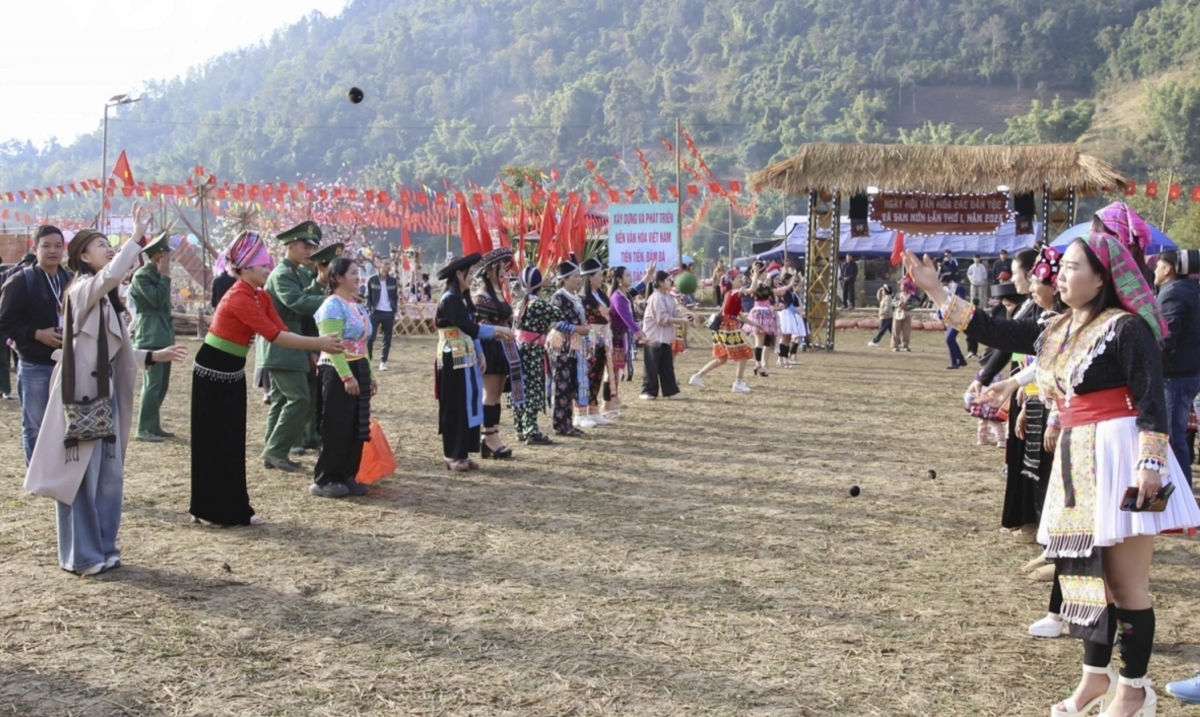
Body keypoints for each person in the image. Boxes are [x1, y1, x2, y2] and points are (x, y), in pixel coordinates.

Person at [906, 232, 1200, 717]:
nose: (1060, 276)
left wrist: (1150, 466)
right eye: (1060, 268)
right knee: (1086, 576)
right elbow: (994, 330)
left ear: (1102, 278)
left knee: (1126, 584)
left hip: (1121, 453)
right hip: (1078, 456)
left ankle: (1134, 689)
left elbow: (1152, 401)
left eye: (1073, 268)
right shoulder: (1059, 327)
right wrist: (935, 290)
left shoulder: (1127, 328)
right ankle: (1094, 678)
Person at [25, 214, 188, 575]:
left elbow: (115, 352)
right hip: (82, 397)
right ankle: (81, 555)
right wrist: (136, 237)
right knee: (80, 476)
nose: (110, 249)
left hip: (105, 395)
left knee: (109, 475)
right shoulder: (83, 289)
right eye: (102, 245)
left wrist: (153, 356)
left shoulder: (104, 300)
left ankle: (104, 547)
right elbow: (112, 276)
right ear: (83, 257)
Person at [190, 231, 343, 526]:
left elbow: (282, 327)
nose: (267, 269)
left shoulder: (260, 295)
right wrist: (318, 343)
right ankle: (207, 509)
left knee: (232, 440)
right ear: (244, 268)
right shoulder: (239, 296)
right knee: (213, 441)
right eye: (262, 266)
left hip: (232, 371)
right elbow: (274, 335)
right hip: (212, 372)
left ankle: (235, 507)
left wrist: (313, 346)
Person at [435, 252, 514, 470]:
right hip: (451, 358)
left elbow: (472, 330)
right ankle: (452, 455)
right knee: (454, 406)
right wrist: (497, 330)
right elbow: (470, 328)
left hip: (467, 356)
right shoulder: (449, 300)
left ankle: (464, 453)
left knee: (468, 404)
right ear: (458, 274)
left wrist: (480, 353)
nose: (472, 278)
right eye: (469, 274)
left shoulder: (462, 299)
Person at [0, 226, 72, 464]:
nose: (53, 251)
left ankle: (56, 472)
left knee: (63, 423)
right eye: (46, 246)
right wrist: (36, 334)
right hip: (34, 365)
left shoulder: (68, 279)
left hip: (65, 364)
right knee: (34, 424)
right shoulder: (21, 281)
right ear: (35, 248)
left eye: (58, 246)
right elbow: (5, 322)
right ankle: (36, 472)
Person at [260, 222, 326, 472]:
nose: (309, 251)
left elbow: (305, 298)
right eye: (304, 246)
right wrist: (332, 299)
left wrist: (319, 283)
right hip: (283, 344)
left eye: (311, 247)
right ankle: (275, 451)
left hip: (290, 343)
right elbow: (298, 302)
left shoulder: (296, 272)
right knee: (299, 399)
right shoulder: (282, 274)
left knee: (281, 401)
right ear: (290, 246)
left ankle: (272, 451)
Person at [310, 254, 377, 498]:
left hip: (358, 366)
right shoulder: (332, 306)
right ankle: (326, 477)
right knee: (336, 424)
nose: (358, 277)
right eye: (353, 273)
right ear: (338, 277)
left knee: (355, 424)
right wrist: (347, 377)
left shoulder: (357, 306)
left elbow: (362, 344)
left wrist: (369, 374)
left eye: (358, 273)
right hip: (337, 369)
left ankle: (348, 474)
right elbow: (332, 346)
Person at [1152, 249, 1200, 487]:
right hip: (1189, 372)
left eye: (1158, 265)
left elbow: (1166, 337)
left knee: (1172, 439)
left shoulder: (1172, 293)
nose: (1155, 269)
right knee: (1177, 438)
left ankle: (1181, 494)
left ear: (1168, 269)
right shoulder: (1191, 289)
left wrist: (1149, 363)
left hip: (1175, 376)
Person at [472, 247, 522, 457]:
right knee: (491, 394)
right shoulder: (482, 296)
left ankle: (493, 436)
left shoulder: (499, 292)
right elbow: (478, 324)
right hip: (490, 347)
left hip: (504, 348)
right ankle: (489, 437)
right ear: (488, 270)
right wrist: (499, 330)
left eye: (504, 266)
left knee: (497, 395)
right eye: (499, 267)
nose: (503, 271)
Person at [129, 233, 176, 443]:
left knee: (162, 383)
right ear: (157, 254)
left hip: (163, 333)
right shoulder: (142, 276)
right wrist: (164, 277)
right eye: (165, 253)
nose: (168, 257)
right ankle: (144, 428)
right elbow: (156, 300)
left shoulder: (156, 274)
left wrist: (163, 276)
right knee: (152, 384)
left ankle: (153, 424)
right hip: (149, 334)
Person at [512, 266, 565, 445]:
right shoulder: (539, 305)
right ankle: (531, 431)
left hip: (518, 349)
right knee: (533, 389)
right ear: (540, 285)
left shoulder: (519, 304)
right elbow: (559, 314)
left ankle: (520, 427)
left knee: (519, 387)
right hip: (533, 352)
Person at [689, 271, 762, 393]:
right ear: (731, 281)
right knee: (743, 354)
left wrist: (755, 324)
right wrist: (756, 274)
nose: (741, 279)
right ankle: (738, 382)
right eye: (738, 278)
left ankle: (697, 376)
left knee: (722, 358)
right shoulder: (734, 292)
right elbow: (752, 290)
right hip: (729, 327)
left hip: (723, 326)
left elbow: (739, 315)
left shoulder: (728, 293)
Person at [548, 260, 591, 435]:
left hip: (575, 347)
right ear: (564, 279)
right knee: (561, 384)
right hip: (561, 348)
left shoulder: (576, 298)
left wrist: (586, 341)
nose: (579, 279)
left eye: (579, 276)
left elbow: (583, 323)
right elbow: (553, 322)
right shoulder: (558, 298)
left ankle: (568, 422)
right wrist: (576, 329)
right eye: (575, 276)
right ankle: (559, 423)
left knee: (572, 384)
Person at [640, 270, 695, 400]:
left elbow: (674, 313)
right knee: (652, 366)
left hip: (665, 337)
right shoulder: (656, 297)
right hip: (653, 337)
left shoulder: (669, 297)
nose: (671, 281)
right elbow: (661, 318)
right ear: (660, 282)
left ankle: (671, 392)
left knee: (667, 365)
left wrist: (686, 316)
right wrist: (681, 320)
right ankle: (648, 391)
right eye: (668, 280)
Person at [579, 257, 615, 423]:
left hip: (603, 339)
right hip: (590, 340)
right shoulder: (582, 298)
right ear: (590, 278)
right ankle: (581, 412)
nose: (602, 278)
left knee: (598, 373)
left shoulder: (601, 295)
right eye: (599, 275)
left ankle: (593, 410)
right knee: (588, 374)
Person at [604, 266, 642, 415]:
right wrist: (640, 335)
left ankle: (614, 398)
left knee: (617, 369)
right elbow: (628, 319)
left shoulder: (623, 295)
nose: (630, 277)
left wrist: (648, 276)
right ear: (619, 280)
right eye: (627, 275)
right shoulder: (618, 297)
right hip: (614, 337)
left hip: (620, 336)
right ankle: (607, 403)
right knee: (611, 371)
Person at [365, 255, 398, 371]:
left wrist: (394, 310)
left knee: (387, 339)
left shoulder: (393, 281)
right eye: (386, 264)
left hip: (388, 313)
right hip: (375, 312)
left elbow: (395, 296)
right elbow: (367, 296)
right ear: (380, 265)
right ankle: (368, 360)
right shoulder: (372, 279)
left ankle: (383, 362)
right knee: (370, 338)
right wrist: (369, 309)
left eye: (389, 264)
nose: (388, 266)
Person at [940, 273, 968, 369]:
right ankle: (961, 359)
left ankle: (954, 362)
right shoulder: (944, 291)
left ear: (946, 282)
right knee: (950, 339)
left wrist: (951, 301)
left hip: (959, 316)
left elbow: (961, 301)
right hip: (950, 317)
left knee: (949, 339)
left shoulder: (959, 289)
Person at [891, 277, 918, 352]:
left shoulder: (911, 296)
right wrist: (898, 304)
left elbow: (915, 304)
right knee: (896, 330)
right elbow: (892, 302)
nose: (901, 287)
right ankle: (894, 345)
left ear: (906, 287)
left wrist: (907, 307)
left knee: (906, 331)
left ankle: (905, 345)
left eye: (902, 285)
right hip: (898, 313)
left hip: (907, 314)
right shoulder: (898, 295)